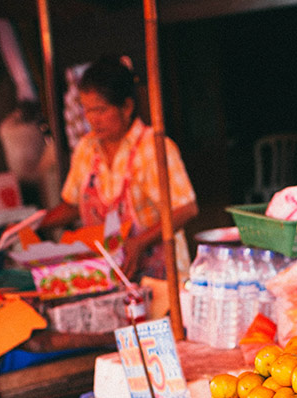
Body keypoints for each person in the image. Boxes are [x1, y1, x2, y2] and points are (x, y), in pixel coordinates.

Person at [40, 55, 198, 280]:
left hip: (162, 279)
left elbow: (186, 209)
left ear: (126, 106)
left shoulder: (154, 147)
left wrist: (140, 242)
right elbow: (73, 205)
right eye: (87, 110)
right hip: (109, 278)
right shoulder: (86, 148)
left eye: (101, 110)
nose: (93, 119)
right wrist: (32, 225)